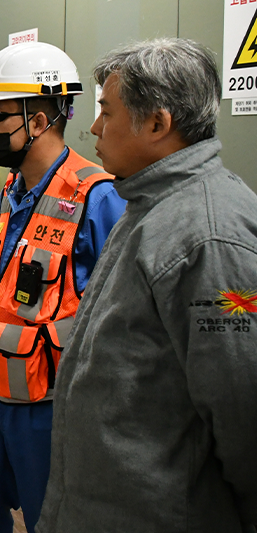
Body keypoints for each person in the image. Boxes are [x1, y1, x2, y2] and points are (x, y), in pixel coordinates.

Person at [38, 38, 257, 533]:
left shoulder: (208, 236)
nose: (94, 128)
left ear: (158, 123)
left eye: (106, 113)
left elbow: (243, 411)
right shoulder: (148, 205)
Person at [0, 42, 126, 533]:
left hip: (48, 408)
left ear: (39, 120)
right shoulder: (16, 189)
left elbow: (119, 319)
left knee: (49, 517)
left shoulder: (98, 196)